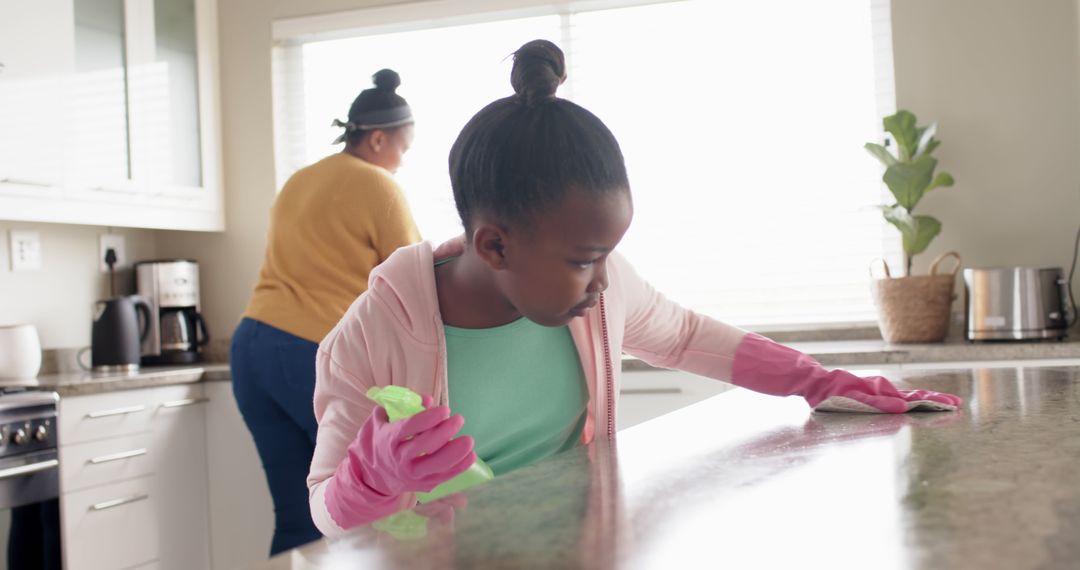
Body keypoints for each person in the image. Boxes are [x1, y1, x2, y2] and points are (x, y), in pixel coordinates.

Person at [305, 41, 962, 537]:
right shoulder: (374, 333)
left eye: (608, 256)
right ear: (495, 246)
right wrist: (372, 480)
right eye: (586, 260)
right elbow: (328, 510)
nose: (603, 282)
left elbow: (684, 335)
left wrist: (816, 381)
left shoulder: (597, 285)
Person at [230, 68, 421, 554]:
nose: (401, 161)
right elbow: (418, 277)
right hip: (306, 352)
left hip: (251, 348)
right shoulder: (378, 185)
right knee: (364, 512)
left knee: (298, 520)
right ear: (378, 140)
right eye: (403, 147)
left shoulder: (301, 180)